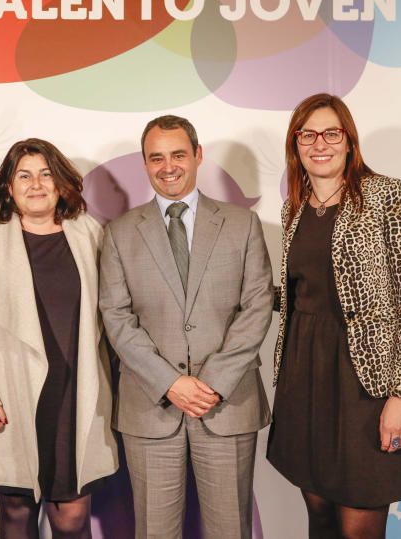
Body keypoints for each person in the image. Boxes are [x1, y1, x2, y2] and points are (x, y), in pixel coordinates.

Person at [99, 115, 273, 539]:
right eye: (156, 158)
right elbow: (117, 318)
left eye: (178, 154)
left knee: (230, 531)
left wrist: (212, 382)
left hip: (226, 403)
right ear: (144, 164)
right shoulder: (120, 233)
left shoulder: (242, 224)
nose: (168, 166)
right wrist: (171, 383)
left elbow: (257, 306)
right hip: (151, 406)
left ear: (197, 155)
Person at [267, 93, 401, 538]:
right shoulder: (293, 210)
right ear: (295, 144)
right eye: (308, 134)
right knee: (319, 518)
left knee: (360, 525)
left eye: (331, 133)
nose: (320, 143)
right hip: (305, 377)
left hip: (367, 382)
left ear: (349, 141)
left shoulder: (385, 195)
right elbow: (303, 293)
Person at [0, 138, 118, 539]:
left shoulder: (90, 234)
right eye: (24, 175)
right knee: (16, 512)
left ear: (61, 184)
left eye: (46, 174)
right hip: (10, 397)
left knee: (72, 517)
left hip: (78, 396)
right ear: (9, 186)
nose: (36, 184)